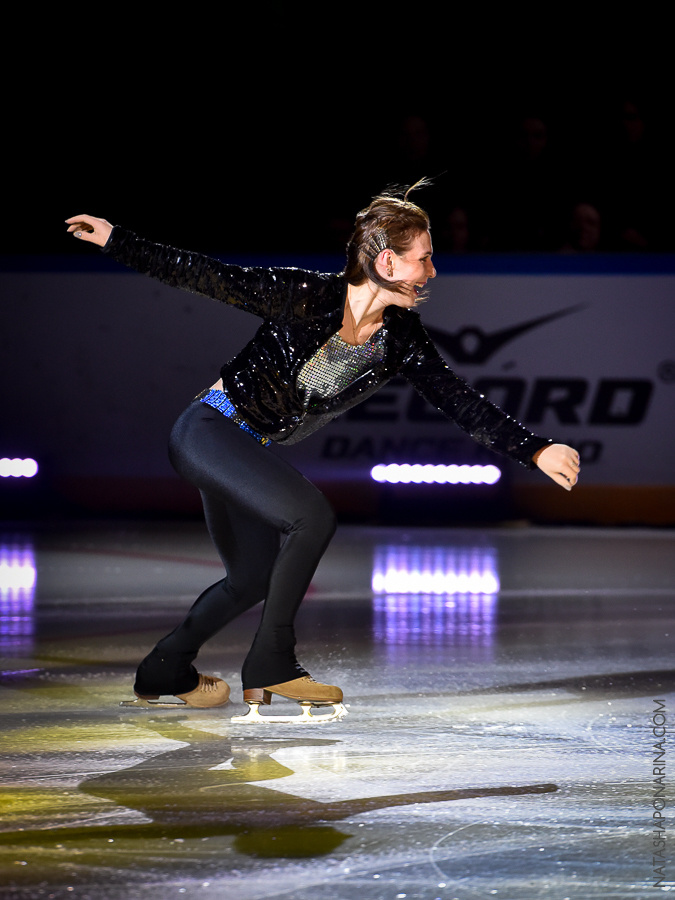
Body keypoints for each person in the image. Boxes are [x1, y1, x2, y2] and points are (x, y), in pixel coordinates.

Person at [65, 182, 580, 721]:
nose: (431, 273)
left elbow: (459, 401)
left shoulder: (400, 337)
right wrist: (116, 240)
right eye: (424, 259)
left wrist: (535, 449)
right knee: (311, 516)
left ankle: (163, 669)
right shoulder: (305, 295)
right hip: (208, 429)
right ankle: (272, 662)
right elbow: (208, 275)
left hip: (245, 447)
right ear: (388, 261)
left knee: (253, 577)